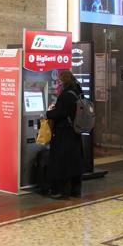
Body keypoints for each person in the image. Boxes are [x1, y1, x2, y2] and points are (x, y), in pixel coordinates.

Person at [46, 71, 84, 199]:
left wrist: (47, 114)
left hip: (64, 133)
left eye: (60, 80)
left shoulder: (66, 95)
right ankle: (76, 190)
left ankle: (61, 191)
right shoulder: (78, 91)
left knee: (61, 162)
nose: (58, 83)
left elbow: (59, 113)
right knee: (75, 161)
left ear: (64, 81)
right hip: (76, 131)